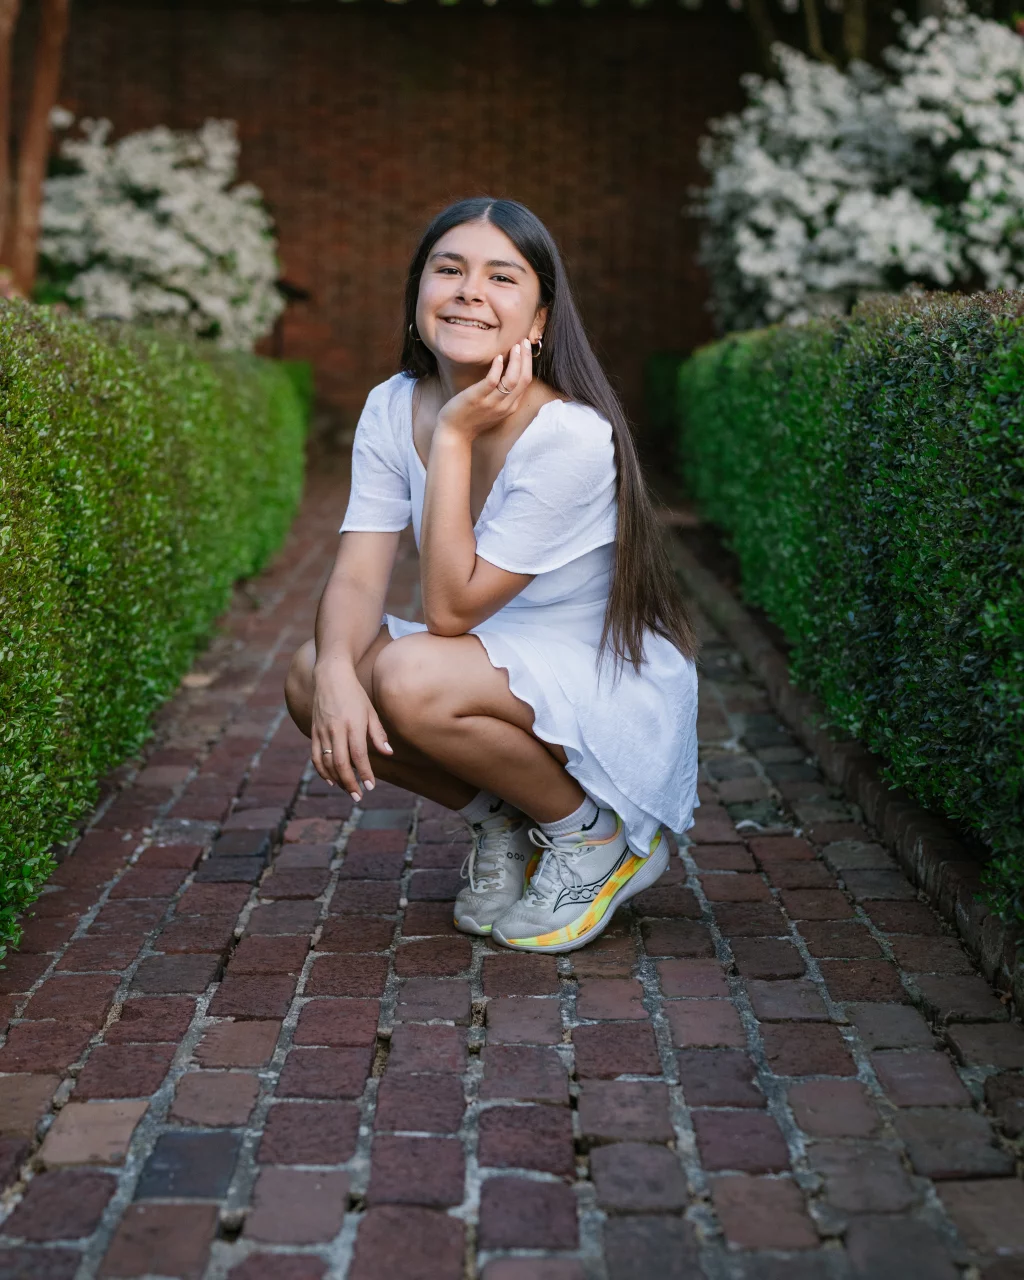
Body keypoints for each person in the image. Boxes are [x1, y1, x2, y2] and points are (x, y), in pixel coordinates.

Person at [285, 197, 699, 954]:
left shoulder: (569, 435)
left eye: (501, 277)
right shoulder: (390, 405)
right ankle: (504, 820)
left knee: (409, 673)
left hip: (595, 677)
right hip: (488, 664)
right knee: (311, 675)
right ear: (419, 298)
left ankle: (591, 837)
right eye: (450, 269)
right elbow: (356, 575)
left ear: (538, 320)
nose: (470, 290)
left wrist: (452, 437)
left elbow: (450, 613)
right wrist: (339, 671)